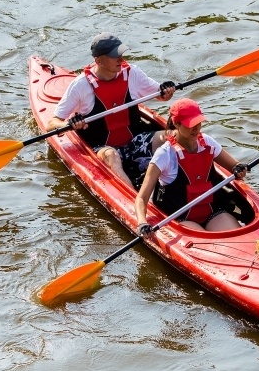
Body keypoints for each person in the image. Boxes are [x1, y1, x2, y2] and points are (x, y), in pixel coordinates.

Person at [46, 32, 176, 189]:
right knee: (111, 155)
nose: (121, 59)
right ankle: (134, 198)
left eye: (121, 53)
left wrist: (166, 91)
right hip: (103, 148)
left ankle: (175, 184)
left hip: (135, 142)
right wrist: (68, 123)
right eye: (115, 56)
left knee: (170, 137)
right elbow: (52, 124)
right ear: (99, 61)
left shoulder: (132, 73)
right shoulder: (80, 85)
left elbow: (161, 96)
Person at [135, 98, 248, 235]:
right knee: (207, 246)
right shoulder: (164, 154)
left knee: (236, 236)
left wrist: (239, 169)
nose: (196, 128)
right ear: (176, 124)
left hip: (213, 213)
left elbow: (234, 165)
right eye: (191, 124)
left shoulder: (207, 142)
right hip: (180, 219)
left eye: (198, 123)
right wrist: (142, 223)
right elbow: (142, 198)